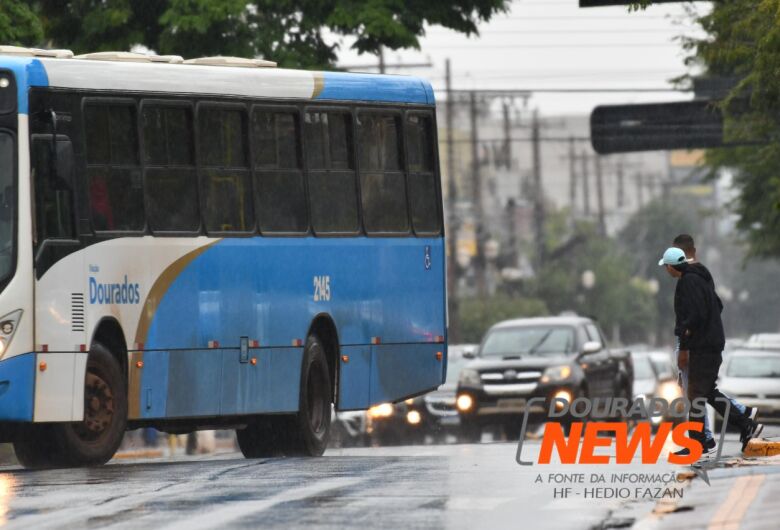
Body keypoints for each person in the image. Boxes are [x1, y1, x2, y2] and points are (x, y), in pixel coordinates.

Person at [658, 247, 762, 457]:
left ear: (670, 267)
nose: (666, 271)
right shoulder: (701, 278)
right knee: (705, 392)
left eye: (666, 267)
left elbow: (693, 316)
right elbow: (718, 305)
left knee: (697, 394)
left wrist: (684, 346)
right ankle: (738, 425)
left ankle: (702, 442)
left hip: (702, 347)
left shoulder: (688, 282)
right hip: (710, 344)